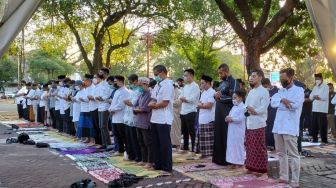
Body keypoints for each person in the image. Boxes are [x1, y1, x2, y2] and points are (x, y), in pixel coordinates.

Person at [271, 68, 304, 188]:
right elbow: (273, 103)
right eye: (280, 79)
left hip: (290, 127)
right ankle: (283, 177)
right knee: (280, 153)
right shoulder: (281, 91)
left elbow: (295, 106)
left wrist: (282, 103)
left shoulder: (299, 90)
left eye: (284, 79)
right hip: (278, 126)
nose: (282, 81)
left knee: (293, 155)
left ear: (291, 78)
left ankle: (295, 181)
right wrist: (283, 100)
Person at [148, 64, 174, 173]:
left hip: (164, 118)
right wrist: (151, 103)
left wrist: (154, 105)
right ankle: (158, 164)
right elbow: (153, 98)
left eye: (156, 74)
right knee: (155, 143)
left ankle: (167, 167)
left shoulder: (168, 84)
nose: (155, 77)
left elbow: (165, 102)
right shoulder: (158, 85)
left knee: (164, 144)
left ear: (162, 72)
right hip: (155, 118)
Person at [212, 63, 239, 166]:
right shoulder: (221, 83)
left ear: (226, 72)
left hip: (227, 112)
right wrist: (216, 95)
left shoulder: (234, 81)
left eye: (221, 73)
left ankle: (229, 160)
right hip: (219, 112)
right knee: (219, 134)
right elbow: (217, 95)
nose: (219, 75)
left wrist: (220, 97)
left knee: (226, 135)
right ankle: (219, 159)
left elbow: (234, 97)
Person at [245, 69, 269, 177]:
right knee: (250, 146)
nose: (251, 78)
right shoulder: (251, 91)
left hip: (259, 123)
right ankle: (251, 166)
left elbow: (263, 108)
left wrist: (254, 111)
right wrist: (247, 109)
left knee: (259, 146)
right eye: (250, 76)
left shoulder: (264, 91)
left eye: (254, 76)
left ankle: (261, 169)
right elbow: (246, 105)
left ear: (260, 77)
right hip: (250, 122)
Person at [179, 69, 200, 155]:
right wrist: (184, 99)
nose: (184, 77)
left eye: (186, 75)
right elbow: (180, 96)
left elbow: (192, 99)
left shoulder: (195, 86)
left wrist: (185, 99)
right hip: (183, 111)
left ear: (191, 75)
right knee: (184, 131)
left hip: (191, 111)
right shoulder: (185, 86)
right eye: (184, 75)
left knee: (192, 131)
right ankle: (185, 147)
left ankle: (195, 148)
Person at [134, 77, 154, 168]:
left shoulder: (150, 94)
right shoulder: (141, 94)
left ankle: (150, 161)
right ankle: (144, 159)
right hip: (138, 121)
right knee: (141, 142)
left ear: (145, 84)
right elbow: (135, 106)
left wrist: (138, 109)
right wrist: (138, 109)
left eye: (140, 85)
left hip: (146, 122)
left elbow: (146, 108)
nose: (139, 87)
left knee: (148, 143)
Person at [109, 75, 129, 156]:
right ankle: (118, 149)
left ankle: (125, 150)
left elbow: (121, 105)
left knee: (122, 135)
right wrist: (110, 109)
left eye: (115, 81)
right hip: (114, 116)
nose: (114, 83)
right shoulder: (117, 91)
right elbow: (113, 103)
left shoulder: (125, 91)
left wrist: (112, 109)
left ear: (121, 81)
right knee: (116, 134)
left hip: (121, 117)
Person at [123, 74, 142, 162]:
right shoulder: (133, 90)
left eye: (131, 82)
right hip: (128, 118)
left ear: (136, 81)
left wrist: (127, 102)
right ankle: (131, 155)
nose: (130, 84)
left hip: (134, 117)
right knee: (129, 138)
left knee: (135, 139)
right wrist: (127, 102)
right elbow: (128, 101)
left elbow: (133, 103)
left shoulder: (139, 91)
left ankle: (137, 156)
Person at [225, 90, 246, 167]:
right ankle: (233, 161)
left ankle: (239, 162)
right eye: (232, 98)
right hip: (231, 130)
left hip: (238, 130)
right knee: (231, 146)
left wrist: (232, 119)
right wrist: (227, 118)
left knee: (238, 146)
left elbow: (241, 118)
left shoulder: (244, 107)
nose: (233, 99)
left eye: (235, 97)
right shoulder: (233, 107)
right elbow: (229, 115)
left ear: (240, 98)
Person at [197, 75, 216, 158]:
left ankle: (209, 155)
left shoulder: (212, 92)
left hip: (209, 119)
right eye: (201, 83)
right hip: (202, 118)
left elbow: (209, 105)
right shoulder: (203, 92)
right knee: (202, 138)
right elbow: (201, 103)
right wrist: (201, 105)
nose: (201, 85)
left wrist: (200, 105)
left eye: (202, 83)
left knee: (208, 139)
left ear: (208, 83)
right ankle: (204, 154)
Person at [309, 73, 329, 143]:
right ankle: (315, 139)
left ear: (321, 79)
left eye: (318, 79)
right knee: (314, 125)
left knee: (322, 125)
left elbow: (325, 97)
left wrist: (317, 97)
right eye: (316, 79)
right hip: (315, 108)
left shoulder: (325, 86)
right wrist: (315, 96)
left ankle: (324, 140)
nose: (317, 80)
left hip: (322, 109)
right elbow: (310, 96)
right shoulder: (315, 87)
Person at [94, 73, 113, 150]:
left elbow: (107, 95)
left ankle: (108, 143)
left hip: (105, 107)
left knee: (103, 126)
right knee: (100, 126)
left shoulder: (106, 85)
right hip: (100, 106)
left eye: (96, 78)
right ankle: (104, 143)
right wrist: (97, 97)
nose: (95, 79)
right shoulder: (99, 86)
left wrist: (102, 98)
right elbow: (96, 94)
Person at [262, 78, 279, 150]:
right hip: (266, 113)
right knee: (266, 129)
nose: (265, 88)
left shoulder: (277, 91)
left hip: (274, 113)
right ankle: (267, 144)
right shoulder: (263, 91)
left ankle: (273, 144)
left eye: (266, 86)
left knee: (273, 128)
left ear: (269, 84)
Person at [87, 75, 101, 145]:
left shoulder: (100, 87)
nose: (94, 79)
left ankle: (100, 143)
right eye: (94, 78)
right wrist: (90, 97)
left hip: (97, 107)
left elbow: (99, 97)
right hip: (92, 107)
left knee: (98, 126)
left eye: (96, 78)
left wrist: (92, 98)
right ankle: (97, 142)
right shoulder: (94, 87)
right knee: (94, 126)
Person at [171, 83, 182, 151]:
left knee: (177, 129)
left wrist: (169, 102)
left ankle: (178, 145)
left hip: (177, 113)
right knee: (171, 130)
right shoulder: (170, 92)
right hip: (170, 113)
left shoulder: (180, 92)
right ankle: (172, 143)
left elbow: (177, 103)